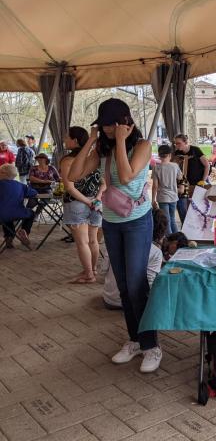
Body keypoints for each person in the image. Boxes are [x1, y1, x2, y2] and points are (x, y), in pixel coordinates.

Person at [68, 98, 161, 374]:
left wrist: (121, 140)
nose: (107, 130)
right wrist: (91, 140)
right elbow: (72, 174)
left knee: (136, 284)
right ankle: (134, 341)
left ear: (124, 122)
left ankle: (151, 345)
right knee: (122, 286)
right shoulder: (102, 149)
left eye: (110, 125)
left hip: (137, 222)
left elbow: (128, 175)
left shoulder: (143, 146)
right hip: (111, 222)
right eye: (103, 125)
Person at [60, 127, 103, 284]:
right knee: (93, 241)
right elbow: (103, 183)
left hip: (77, 204)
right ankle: (93, 269)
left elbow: (69, 187)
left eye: (67, 137)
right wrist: (95, 199)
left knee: (82, 242)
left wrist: (86, 201)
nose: (65, 139)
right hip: (96, 203)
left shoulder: (67, 161)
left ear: (75, 140)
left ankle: (88, 274)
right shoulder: (94, 158)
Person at [103, 209, 166, 309]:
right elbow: (150, 282)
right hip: (132, 302)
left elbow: (103, 269)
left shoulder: (113, 242)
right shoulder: (155, 251)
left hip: (109, 298)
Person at [173, 134, 210, 223]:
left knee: (200, 207)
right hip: (184, 185)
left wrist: (203, 181)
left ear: (186, 142)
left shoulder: (195, 150)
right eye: (175, 144)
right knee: (184, 207)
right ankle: (187, 226)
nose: (176, 145)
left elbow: (207, 165)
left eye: (178, 143)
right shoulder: (177, 153)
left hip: (198, 183)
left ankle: (201, 225)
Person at [0, 164, 37, 249]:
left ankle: (9, 237)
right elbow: (34, 192)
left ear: (2, 173)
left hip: (2, 215)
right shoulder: (20, 185)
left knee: (6, 217)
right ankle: (24, 230)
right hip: (18, 212)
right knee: (31, 213)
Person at [152, 144, 182, 234]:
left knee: (166, 221)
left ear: (159, 155)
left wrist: (153, 200)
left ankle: (169, 241)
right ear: (170, 155)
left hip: (162, 197)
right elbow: (180, 177)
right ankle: (176, 239)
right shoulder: (175, 166)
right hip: (173, 196)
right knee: (172, 219)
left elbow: (155, 186)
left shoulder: (156, 168)